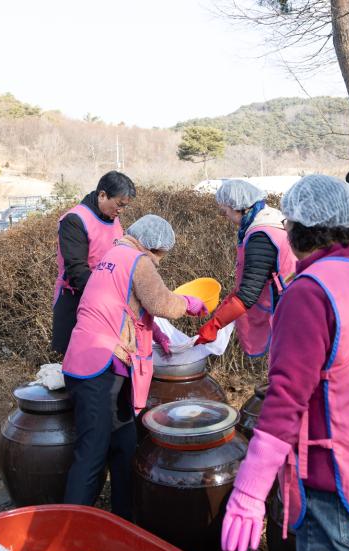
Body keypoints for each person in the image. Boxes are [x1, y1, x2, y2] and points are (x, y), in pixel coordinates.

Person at [221, 175, 349, 551]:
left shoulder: (310, 291)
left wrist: (249, 489)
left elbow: (285, 398)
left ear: (301, 229)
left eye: (289, 224)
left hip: (337, 484)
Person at [61, 214, 209, 520]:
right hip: (98, 366)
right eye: (161, 256)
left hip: (98, 363)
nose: (159, 263)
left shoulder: (113, 255)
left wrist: (153, 332)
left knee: (125, 447)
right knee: (92, 453)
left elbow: (121, 303)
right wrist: (190, 303)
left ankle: (123, 521)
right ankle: (70, 528)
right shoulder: (137, 260)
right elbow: (160, 302)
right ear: (153, 247)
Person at [195, 179, 296, 357]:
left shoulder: (261, 235)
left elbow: (248, 294)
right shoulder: (271, 219)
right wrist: (228, 302)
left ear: (238, 206)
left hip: (287, 310)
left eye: (225, 210)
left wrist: (216, 324)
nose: (224, 216)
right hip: (289, 303)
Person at [52, 171, 136, 355]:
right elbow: (76, 270)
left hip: (107, 300)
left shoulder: (112, 217)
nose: (121, 210)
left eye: (124, 206)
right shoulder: (75, 220)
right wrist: (106, 296)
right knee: (77, 361)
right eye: (119, 204)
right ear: (102, 195)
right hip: (77, 300)